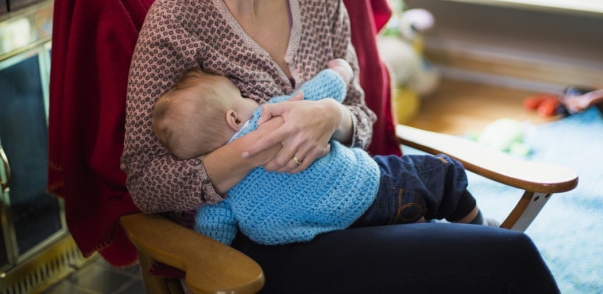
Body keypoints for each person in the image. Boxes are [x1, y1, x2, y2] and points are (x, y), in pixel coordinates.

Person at [122, 0, 561, 292]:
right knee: (508, 259)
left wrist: (331, 116)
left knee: (497, 256)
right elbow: (145, 182)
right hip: (260, 246)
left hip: (354, 201)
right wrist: (254, 150)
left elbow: (362, 118)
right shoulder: (175, 22)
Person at [152, 60, 491, 246]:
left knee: (412, 220)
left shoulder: (219, 192)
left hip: (331, 237)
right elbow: (319, 91)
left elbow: (213, 237)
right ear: (234, 117)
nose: (248, 98)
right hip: (371, 189)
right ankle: (482, 228)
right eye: (240, 95)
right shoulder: (268, 115)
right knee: (442, 173)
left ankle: (420, 221)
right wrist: (340, 70)